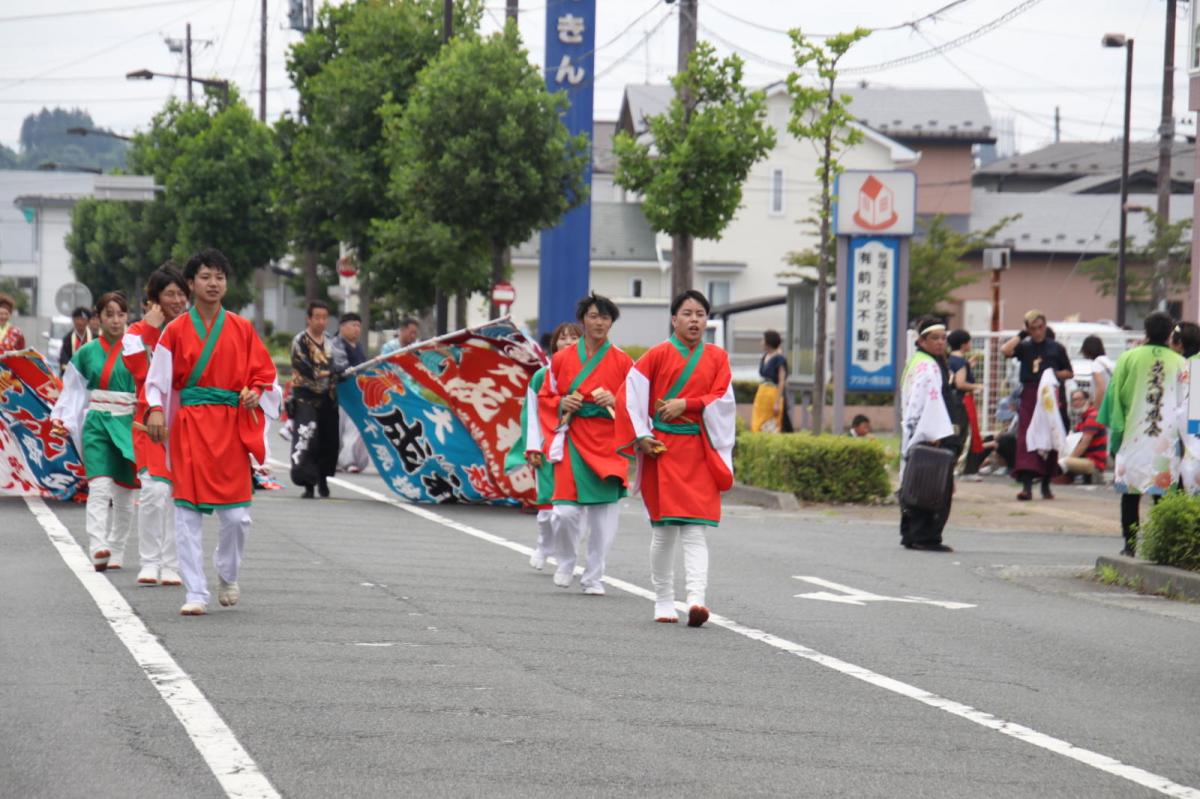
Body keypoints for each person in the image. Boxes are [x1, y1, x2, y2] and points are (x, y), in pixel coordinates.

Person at [144, 248, 281, 616]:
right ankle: (196, 592)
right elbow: (157, 381)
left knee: (237, 517)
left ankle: (228, 572)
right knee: (186, 513)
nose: (214, 283)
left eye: (219, 276)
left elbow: (265, 375)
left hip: (231, 427)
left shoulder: (242, 328)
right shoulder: (174, 331)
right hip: (190, 428)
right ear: (191, 284)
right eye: (205, 276)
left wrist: (254, 391)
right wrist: (156, 409)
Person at [617, 290, 734, 627]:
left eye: (700, 314)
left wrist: (689, 404)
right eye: (687, 313)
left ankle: (696, 600)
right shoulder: (655, 355)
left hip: (699, 449)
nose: (694, 319)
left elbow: (723, 400)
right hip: (662, 450)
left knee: (696, 530)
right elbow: (631, 398)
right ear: (674, 319)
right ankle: (664, 599)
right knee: (665, 531)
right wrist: (642, 436)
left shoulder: (718, 357)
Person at [538, 292, 633, 595]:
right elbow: (546, 396)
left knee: (602, 520)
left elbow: (638, 404)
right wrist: (563, 401)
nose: (599, 322)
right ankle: (566, 560)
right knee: (564, 512)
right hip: (574, 437)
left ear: (611, 323)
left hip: (608, 442)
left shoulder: (623, 361)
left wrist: (615, 400)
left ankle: (594, 576)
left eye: (605, 317)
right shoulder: (562, 359)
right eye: (593, 316)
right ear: (583, 320)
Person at [51, 292, 145, 571]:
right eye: (109, 314)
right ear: (98, 319)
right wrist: (62, 419)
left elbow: (149, 386)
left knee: (126, 495)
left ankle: (117, 548)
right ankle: (97, 544)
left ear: (127, 316)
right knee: (100, 486)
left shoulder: (137, 349)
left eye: (120, 314)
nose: (115, 321)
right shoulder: (86, 353)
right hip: (97, 423)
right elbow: (73, 391)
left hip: (127, 422)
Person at [1098, 311, 1188, 557]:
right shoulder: (1180, 362)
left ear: (1145, 332)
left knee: (1130, 493)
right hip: (1165, 440)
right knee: (1162, 494)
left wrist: (1116, 433)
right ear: (1170, 333)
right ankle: (1163, 547)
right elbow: (1186, 402)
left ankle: (1129, 545)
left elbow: (1115, 398)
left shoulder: (1128, 358)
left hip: (1132, 436)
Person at [127, 264, 190, 586]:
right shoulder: (137, 333)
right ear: (155, 300)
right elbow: (139, 371)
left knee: (180, 495)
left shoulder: (194, 329)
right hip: (150, 422)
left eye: (181, 293)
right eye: (170, 294)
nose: (177, 300)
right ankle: (149, 560)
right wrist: (151, 329)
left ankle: (172, 563)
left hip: (186, 421)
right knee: (154, 491)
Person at [506, 321, 581, 571]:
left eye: (574, 338)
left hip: (579, 448)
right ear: (555, 343)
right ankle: (544, 545)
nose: (569, 342)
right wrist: (533, 449)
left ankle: (566, 554)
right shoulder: (541, 376)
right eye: (564, 338)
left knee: (569, 510)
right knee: (548, 508)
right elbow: (531, 415)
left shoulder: (588, 374)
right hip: (547, 447)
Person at [899, 317, 958, 552]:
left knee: (915, 483)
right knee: (933, 486)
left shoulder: (917, 361)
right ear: (921, 340)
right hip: (931, 431)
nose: (941, 342)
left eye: (944, 338)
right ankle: (926, 536)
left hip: (916, 431)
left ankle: (911, 533)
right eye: (935, 338)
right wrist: (934, 433)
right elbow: (928, 402)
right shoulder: (929, 365)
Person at [1001, 311, 1073, 501]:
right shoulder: (1024, 347)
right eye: (1033, 328)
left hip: (1049, 396)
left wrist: (1053, 375)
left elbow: (1069, 372)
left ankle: (1046, 484)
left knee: (1050, 437)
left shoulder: (1056, 348)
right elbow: (1005, 351)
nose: (1037, 332)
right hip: (1030, 395)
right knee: (1026, 438)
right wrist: (1022, 335)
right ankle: (1026, 486)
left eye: (1040, 327)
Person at [290, 300, 340, 498]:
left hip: (328, 396)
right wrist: (330, 372)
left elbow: (337, 365)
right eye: (317, 317)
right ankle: (308, 483)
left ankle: (323, 479)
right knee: (308, 438)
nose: (321, 321)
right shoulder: (300, 341)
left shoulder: (329, 341)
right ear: (308, 318)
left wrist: (338, 373)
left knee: (329, 440)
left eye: (324, 318)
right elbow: (305, 368)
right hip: (305, 396)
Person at [332, 311, 370, 473]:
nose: (356, 329)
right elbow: (340, 367)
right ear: (342, 327)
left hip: (356, 394)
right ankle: (336, 460)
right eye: (353, 325)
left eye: (358, 326)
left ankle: (352, 461)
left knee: (354, 429)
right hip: (340, 393)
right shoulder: (336, 343)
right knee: (337, 430)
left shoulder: (359, 346)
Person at [947, 329, 986, 478]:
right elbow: (960, 383)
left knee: (953, 434)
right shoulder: (961, 362)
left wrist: (968, 366)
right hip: (961, 402)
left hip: (951, 401)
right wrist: (977, 386)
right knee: (962, 436)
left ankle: (951, 467)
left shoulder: (949, 359)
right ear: (964, 344)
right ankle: (963, 469)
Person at [1059, 389, 1107, 484]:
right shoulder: (1082, 419)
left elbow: (1083, 444)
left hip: (1093, 463)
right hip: (1086, 460)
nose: (1076, 403)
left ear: (1087, 400)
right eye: (1074, 400)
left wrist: (1068, 459)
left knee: (1062, 463)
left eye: (1079, 399)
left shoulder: (1092, 417)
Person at [751, 330, 787, 432]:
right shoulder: (765, 356)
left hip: (772, 393)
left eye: (763, 340)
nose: (761, 342)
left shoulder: (779, 359)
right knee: (757, 423)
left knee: (770, 425)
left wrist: (777, 402)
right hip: (762, 392)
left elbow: (781, 381)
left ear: (769, 342)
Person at [1081, 335, 1116, 412]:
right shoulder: (1108, 362)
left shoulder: (1096, 364)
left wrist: (1096, 409)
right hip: (1113, 403)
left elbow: (1100, 388)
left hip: (1105, 405)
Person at [59, 306, 94, 374]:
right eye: (77, 319)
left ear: (88, 321)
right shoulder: (67, 339)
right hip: (73, 374)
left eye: (82, 319)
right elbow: (64, 358)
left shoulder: (95, 338)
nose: (79, 322)